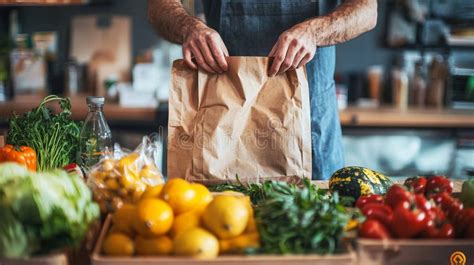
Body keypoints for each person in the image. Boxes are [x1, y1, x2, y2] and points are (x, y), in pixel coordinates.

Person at [147, 0, 377, 180]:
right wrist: (190, 28)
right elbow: (159, 6)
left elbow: (367, 9)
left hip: (310, 121)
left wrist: (313, 31)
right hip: (222, 128)